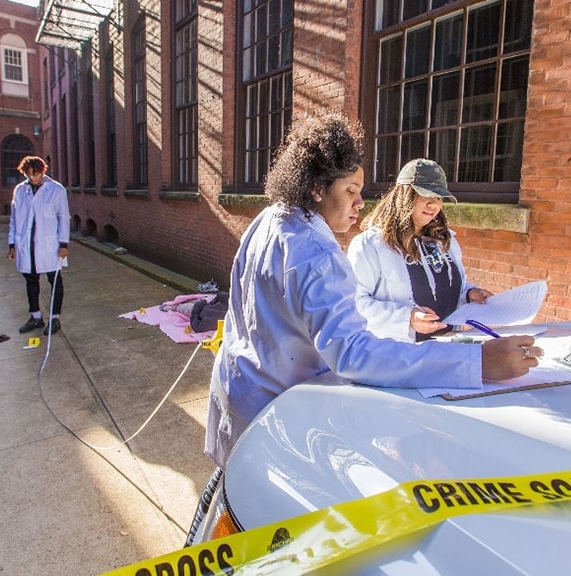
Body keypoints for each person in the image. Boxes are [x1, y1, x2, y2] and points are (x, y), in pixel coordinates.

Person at [188, 111, 541, 544]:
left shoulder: (270, 218)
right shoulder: (318, 252)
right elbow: (353, 354)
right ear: (317, 188)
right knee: (254, 532)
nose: (359, 203)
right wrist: (474, 361)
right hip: (277, 409)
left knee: (225, 500)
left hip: (241, 388)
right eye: (350, 191)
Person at [348, 158, 492, 342]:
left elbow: (451, 289)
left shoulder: (445, 241)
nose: (434, 205)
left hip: (448, 349)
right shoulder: (370, 245)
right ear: (404, 196)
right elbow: (354, 305)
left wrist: (470, 295)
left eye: (439, 198)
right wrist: (407, 318)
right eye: (426, 196)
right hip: (399, 358)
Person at [7, 156, 69, 336]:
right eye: (29, 174)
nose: (33, 178)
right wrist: (12, 244)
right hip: (25, 245)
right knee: (31, 281)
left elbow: (63, 218)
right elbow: (14, 219)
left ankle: (54, 318)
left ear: (43, 171)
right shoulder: (20, 190)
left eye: (36, 174)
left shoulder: (56, 190)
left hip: (50, 244)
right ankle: (35, 317)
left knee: (55, 280)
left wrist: (63, 243)